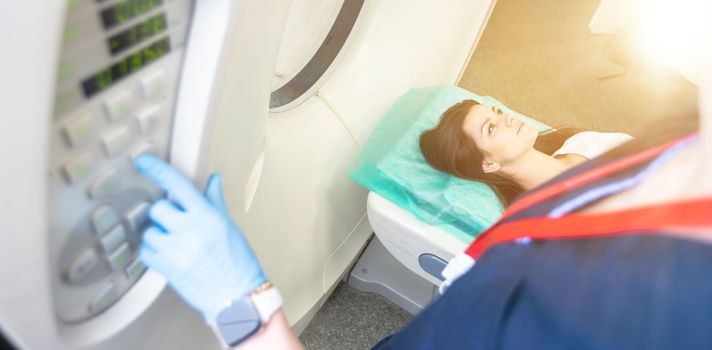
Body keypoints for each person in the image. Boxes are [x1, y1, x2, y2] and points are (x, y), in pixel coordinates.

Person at [135, 75, 712, 348]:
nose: (508, 117)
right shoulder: (649, 145)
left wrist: (239, 307)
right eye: (492, 118)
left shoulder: (595, 315)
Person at [419, 100, 633, 206]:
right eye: (491, 128)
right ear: (488, 163)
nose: (508, 117)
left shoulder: (583, 142)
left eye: (498, 112)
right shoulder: (547, 219)